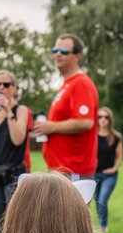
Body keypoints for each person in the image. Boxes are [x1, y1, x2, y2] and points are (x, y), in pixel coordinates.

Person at [33, 34, 99, 179]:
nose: (57, 54)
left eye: (63, 52)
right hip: (61, 169)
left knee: (70, 204)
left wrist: (51, 127)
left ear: (77, 56)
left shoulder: (81, 83)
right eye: (55, 50)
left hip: (73, 169)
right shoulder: (67, 84)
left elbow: (85, 122)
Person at [0, 69, 31, 233]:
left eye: (6, 84)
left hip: (13, 173)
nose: (1, 88)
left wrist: (8, 111)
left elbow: (18, 139)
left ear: (15, 88)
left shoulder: (20, 110)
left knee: (15, 224)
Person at [94, 107, 122, 233]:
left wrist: (114, 168)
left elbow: (120, 156)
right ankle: (102, 224)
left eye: (106, 117)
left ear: (110, 119)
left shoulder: (115, 137)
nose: (103, 119)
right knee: (97, 201)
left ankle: (103, 227)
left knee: (102, 200)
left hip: (109, 175)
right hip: (94, 174)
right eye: (100, 117)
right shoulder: (92, 135)